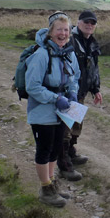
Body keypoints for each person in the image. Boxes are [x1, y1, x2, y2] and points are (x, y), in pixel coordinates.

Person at [25, 11, 80, 207]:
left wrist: (73, 93)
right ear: (50, 32)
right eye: (59, 30)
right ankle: (45, 190)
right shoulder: (41, 55)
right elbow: (33, 87)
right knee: (44, 150)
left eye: (66, 30)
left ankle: (51, 184)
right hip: (42, 111)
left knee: (56, 149)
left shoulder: (69, 53)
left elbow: (75, 78)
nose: (63, 34)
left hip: (61, 112)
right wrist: (55, 98)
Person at [57, 9, 103, 180]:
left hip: (81, 92)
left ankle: (71, 152)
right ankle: (64, 164)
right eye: (86, 22)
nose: (90, 25)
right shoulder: (70, 40)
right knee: (66, 128)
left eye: (93, 23)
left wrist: (96, 89)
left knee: (76, 125)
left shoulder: (91, 42)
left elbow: (93, 68)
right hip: (69, 93)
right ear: (78, 22)